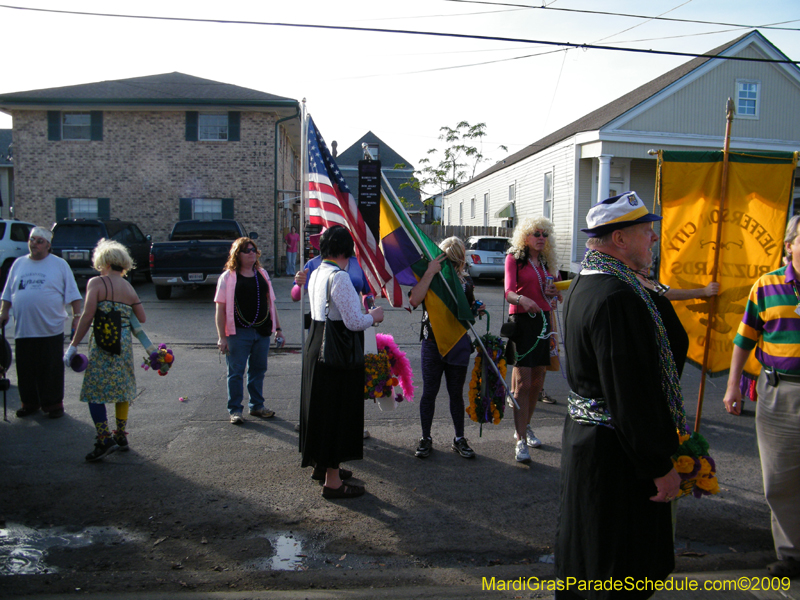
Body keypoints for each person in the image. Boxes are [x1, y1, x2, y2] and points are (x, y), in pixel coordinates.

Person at [556, 191, 683, 599]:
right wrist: (658, 464)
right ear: (620, 240)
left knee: (590, 560)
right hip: (618, 457)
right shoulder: (618, 297)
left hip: (593, 446)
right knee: (614, 570)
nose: (654, 240)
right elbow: (631, 394)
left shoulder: (590, 282)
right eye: (648, 233)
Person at [722, 214, 800, 578]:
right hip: (780, 392)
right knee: (781, 478)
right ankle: (791, 554)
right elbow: (745, 339)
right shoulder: (766, 286)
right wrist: (732, 384)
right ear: (790, 245)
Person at [299, 225, 384, 499]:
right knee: (336, 414)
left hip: (317, 345)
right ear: (346, 249)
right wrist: (375, 316)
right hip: (337, 353)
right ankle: (333, 482)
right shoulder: (340, 277)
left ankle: (321, 466)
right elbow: (353, 321)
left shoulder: (316, 274)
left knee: (321, 412)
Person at [64, 239, 146, 461]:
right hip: (123, 347)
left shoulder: (96, 283)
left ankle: (103, 438)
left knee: (94, 391)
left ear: (104, 261)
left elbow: (87, 315)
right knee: (122, 389)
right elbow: (142, 318)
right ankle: (121, 435)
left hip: (102, 347)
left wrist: (73, 346)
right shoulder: (128, 287)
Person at [410, 237, 483, 460]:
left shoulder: (466, 282)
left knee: (455, 394)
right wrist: (431, 272)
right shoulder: (432, 276)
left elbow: (467, 311)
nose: (451, 263)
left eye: (455, 258)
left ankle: (459, 438)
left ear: (461, 259)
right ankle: (425, 437)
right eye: (447, 258)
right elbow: (414, 300)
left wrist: (477, 309)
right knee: (429, 392)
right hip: (432, 342)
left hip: (458, 343)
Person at [0, 226, 82, 419]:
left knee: (50, 368)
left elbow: (74, 295)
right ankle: (29, 403)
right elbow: (7, 292)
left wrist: (76, 318)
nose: (34, 244)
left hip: (50, 328)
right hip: (24, 328)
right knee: (26, 368)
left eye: (39, 241)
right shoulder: (19, 264)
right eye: (32, 240)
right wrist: (4, 311)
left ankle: (53, 404)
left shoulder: (59, 265)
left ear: (48, 245)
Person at [504, 216, 563, 462]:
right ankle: (520, 439)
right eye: (536, 234)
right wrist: (522, 300)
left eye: (544, 234)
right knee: (523, 383)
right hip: (523, 324)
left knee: (538, 382)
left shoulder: (549, 262)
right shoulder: (515, 259)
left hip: (545, 323)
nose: (541, 238)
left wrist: (556, 292)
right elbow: (507, 292)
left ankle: (526, 426)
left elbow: (559, 294)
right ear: (525, 236)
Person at [215, 238, 282, 424]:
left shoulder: (262, 274)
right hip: (238, 333)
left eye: (254, 249)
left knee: (258, 370)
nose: (252, 253)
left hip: (261, 331)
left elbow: (271, 303)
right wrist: (222, 337)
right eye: (246, 250)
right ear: (237, 255)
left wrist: (278, 329)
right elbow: (220, 309)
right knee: (236, 372)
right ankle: (235, 410)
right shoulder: (227, 277)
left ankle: (257, 406)